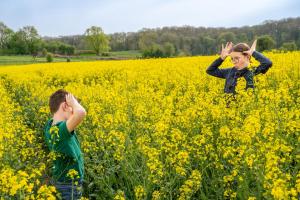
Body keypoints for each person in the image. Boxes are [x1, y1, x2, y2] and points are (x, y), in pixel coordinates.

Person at [44, 89, 86, 199]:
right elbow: (81, 113)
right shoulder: (59, 132)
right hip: (69, 185)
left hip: (65, 181)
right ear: (65, 106)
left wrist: (72, 105)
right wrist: (73, 103)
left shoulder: (50, 126)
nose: (74, 110)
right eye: (72, 107)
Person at [206, 40, 273, 95]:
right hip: (229, 109)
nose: (234, 61)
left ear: (247, 56)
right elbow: (210, 71)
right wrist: (221, 58)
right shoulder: (229, 72)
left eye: (237, 58)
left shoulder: (253, 71)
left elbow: (267, 63)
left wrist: (253, 53)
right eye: (232, 58)